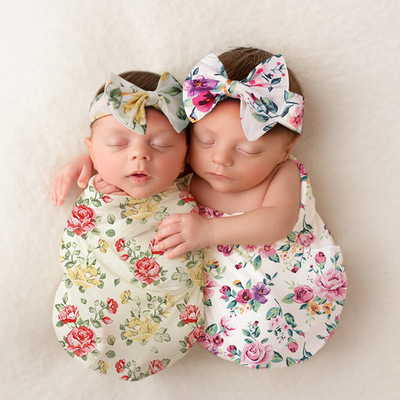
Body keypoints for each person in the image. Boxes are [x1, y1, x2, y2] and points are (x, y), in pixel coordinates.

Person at [154, 47, 347, 368]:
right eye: (205, 140)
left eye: (248, 150)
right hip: (214, 307)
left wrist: (209, 231)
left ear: (286, 148)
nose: (220, 159)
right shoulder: (184, 167)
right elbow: (141, 162)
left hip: (287, 293)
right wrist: (91, 163)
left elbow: (277, 221)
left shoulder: (282, 173)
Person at [52, 70, 204, 382]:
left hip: (168, 321)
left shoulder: (199, 186)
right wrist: (89, 163)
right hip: (90, 312)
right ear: (92, 150)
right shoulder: (97, 186)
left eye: (161, 144)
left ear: (186, 158)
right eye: (118, 143)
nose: (139, 154)